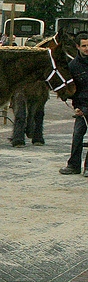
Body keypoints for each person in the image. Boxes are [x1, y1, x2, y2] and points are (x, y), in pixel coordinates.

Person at [60, 33, 88, 175]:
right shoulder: (73, 66)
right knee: (77, 136)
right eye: (84, 46)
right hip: (82, 106)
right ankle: (74, 165)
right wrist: (76, 106)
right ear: (77, 47)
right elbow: (72, 89)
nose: (87, 48)